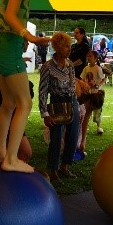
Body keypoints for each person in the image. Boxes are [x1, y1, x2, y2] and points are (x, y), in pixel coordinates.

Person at [0, 0, 51, 173]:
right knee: (25, 103)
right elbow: (10, 14)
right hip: (8, 46)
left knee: (8, 103)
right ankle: (11, 159)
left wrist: (21, 36)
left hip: (4, 44)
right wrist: (29, 35)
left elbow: (8, 17)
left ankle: (0, 152)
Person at [39, 32, 80, 181]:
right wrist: (45, 113)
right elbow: (42, 91)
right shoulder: (47, 67)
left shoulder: (70, 65)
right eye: (65, 46)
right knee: (56, 138)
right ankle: (53, 170)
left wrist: (76, 105)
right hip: (56, 103)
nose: (69, 49)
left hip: (71, 101)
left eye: (69, 46)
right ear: (56, 47)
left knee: (73, 135)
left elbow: (73, 85)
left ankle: (65, 166)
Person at [79, 51, 106, 150]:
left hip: (95, 94)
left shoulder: (98, 69)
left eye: (90, 56)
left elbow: (103, 79)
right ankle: (84, 132)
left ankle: (99, 126)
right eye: (88, 56)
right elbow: (82, 78)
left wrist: (98, 85)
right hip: (87, 94)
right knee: (87, 113)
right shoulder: (86, 68)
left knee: (97, 113)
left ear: (95, 58)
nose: (88, 57)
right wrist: (83, 85)